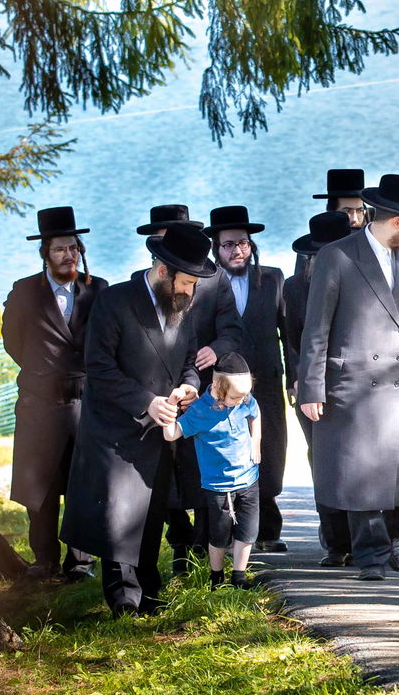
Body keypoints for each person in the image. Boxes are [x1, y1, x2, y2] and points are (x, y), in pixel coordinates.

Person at [62, 223, 211, 615]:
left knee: (151, 513)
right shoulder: (115, 302)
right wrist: (146, 402)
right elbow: (99, 366)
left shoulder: (184, 305)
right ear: (163, 272)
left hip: (160, 430)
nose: (190, 292)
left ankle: (149, 590)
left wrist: (189, 387)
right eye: (186, 283)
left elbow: (190, 360)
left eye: (195, 284)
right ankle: (123, 597)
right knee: (119, 512)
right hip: (116, 426)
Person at [298, 174, 399, 581]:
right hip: (353, 386)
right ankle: (371, 557)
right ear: (397, 222)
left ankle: (394, 541)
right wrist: (311, 386)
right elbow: (316, 328)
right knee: (360, 476)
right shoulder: (337, 256)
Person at [135, 204, 244, 574]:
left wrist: (218, 348)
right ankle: (178, 540)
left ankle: (202, 548)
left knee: (202, 472)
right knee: (166, 474)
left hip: (205, 389)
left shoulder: (215, 280)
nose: (164, 245)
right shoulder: (142, 281)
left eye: (172, 237)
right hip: (161, 393)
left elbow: (233, 329)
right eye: (159, 239)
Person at [2, 206, 106, 582]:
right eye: (61, 249)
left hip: (84, 402)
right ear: (45, 252)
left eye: (73, 248)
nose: (69, 255)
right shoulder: (25, 291)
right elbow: (12, 342)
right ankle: (44, 560)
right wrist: (43, 370)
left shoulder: (98, 290)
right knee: (40, 486)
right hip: (39, 403)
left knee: (83, 483)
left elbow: (107, 342)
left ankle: (80, 562)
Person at [204, 205, 289, 553]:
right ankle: (227, 533)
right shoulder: (205, 284)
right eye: (228, 244)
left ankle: (268, 530)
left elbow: (290, 332)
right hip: (222, 388)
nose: (237, 250)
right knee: (226, 453)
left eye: (243, 243)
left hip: (267, 382)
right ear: (216, 249)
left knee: (269, 452)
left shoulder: (273, 278)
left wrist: (297, 377)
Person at [282, 210, 356, 566]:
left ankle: (367, 539)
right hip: (313, 386)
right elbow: (292, 341)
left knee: (359, 461)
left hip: (355, 386)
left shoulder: (362, 280)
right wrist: (298, 380)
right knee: (323, 462)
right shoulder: (296, 287)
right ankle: (336, 542)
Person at [165, 352, 261, 589]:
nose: (242, 400)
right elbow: (172, 434)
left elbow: (255, 414)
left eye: (244, 395)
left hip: (248, 478)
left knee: (248, 531)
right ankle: (216, 575)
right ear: (218, 387)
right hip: (218, 485)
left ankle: (239, 576)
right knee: (219, 535)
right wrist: (169, 406)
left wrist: (255, 443)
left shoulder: (244, 398)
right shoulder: (199, 411)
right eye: (236, 396)